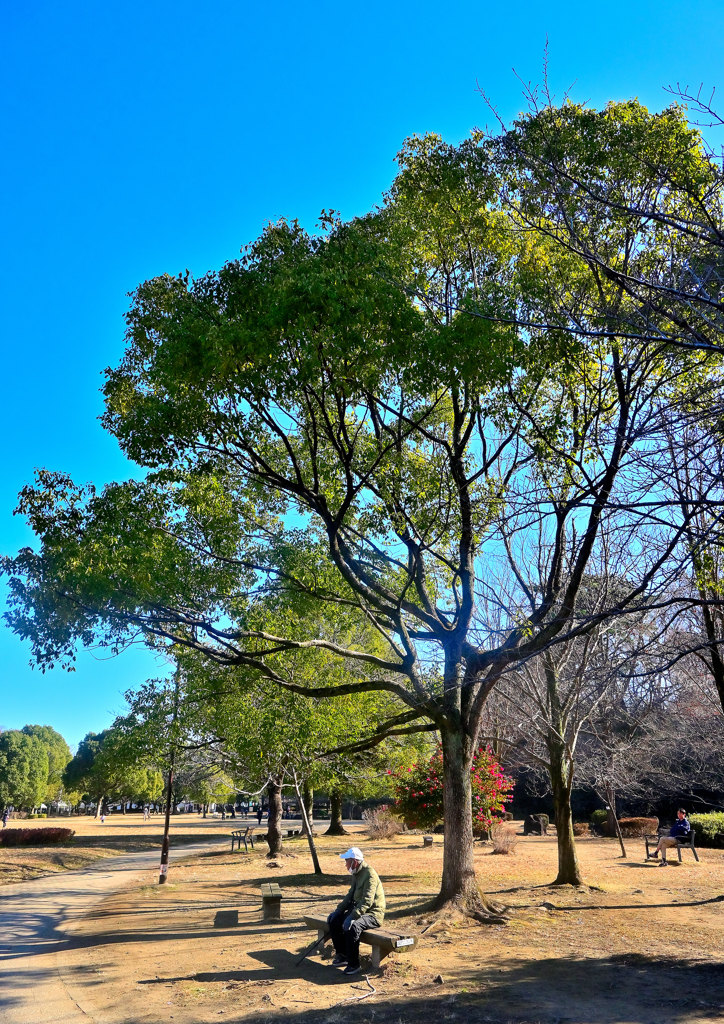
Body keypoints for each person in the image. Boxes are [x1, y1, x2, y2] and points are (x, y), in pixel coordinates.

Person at [327, 847, 385, 976]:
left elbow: (367, 901)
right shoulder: (356, 873)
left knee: (353, 927)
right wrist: (338, 911)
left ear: (354, 861)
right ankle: (342, 955)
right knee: (334, 921)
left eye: (347, 862)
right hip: (359, 911)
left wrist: (352, 916)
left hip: (373, 914)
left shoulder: (370, 874)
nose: (345, 865)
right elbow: (350, 895)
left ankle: (354, 964)